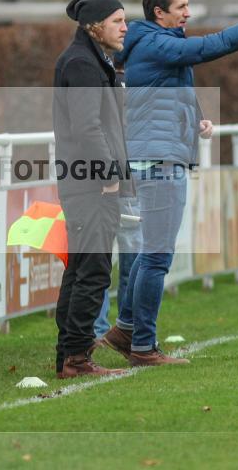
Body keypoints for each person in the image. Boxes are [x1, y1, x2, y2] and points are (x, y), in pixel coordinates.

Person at [102, 0, 238, 366]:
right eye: (180, 7)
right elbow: (209, 47)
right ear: (158, 12)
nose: (188, 12)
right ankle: (143, 347)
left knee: (153, 253)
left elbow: (168, 88)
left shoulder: (153, 42)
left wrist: (195, 118)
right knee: (156, 256)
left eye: (187, 5)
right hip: (159, 159)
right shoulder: (153, 42)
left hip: (161, 153)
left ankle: (126, 330)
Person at [52, 0, 133, 379]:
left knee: (83, 267)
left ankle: (70, 354)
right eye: (118, 20)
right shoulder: (82, 63)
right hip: (90, 184)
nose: (125, 28)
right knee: (93, 271)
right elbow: (87, 127)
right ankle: (76, 358)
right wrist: (109, 175)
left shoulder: (93, 60)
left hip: (85, 180)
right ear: (94, 26)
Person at [93, 64, 141, 339]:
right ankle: (125, 327)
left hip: (108, 182)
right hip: (126, 184)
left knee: (99, 261)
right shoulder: (133, 86)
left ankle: (100, 331)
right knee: (131, 262)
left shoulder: (100, 82)